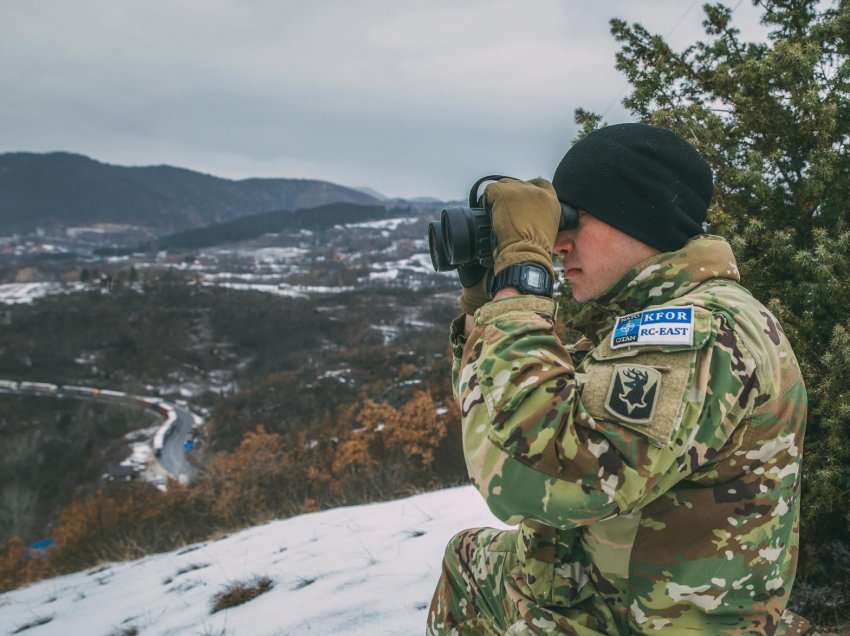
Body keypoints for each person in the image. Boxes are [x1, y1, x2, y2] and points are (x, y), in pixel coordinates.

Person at [427, 123, 810, 635]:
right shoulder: (657, 315)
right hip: (626, 591)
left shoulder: (701, 331)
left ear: (637, 217)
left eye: (571, 220)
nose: (559, 246)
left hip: (663, 621)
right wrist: (485, 305)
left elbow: (540, 482)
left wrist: (521, 282)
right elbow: (503, 424)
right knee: (471, 561)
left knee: (480, 573)